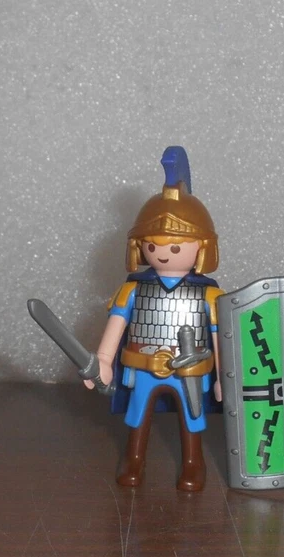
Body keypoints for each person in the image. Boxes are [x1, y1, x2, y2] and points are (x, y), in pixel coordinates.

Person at [85, 147, 222, 491]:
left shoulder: (209, 296)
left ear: (202, 248)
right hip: (143, 365)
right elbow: (116, 326)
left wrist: (224, 376)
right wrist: (103, 362)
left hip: (190, 371)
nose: (162, 253)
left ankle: (193, 463)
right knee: (138, 415)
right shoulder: (133, 290)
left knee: (192, 416)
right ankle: (134, 458)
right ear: (139, 246)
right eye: (154, 245)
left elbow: (221, 338)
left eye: (175, 247)